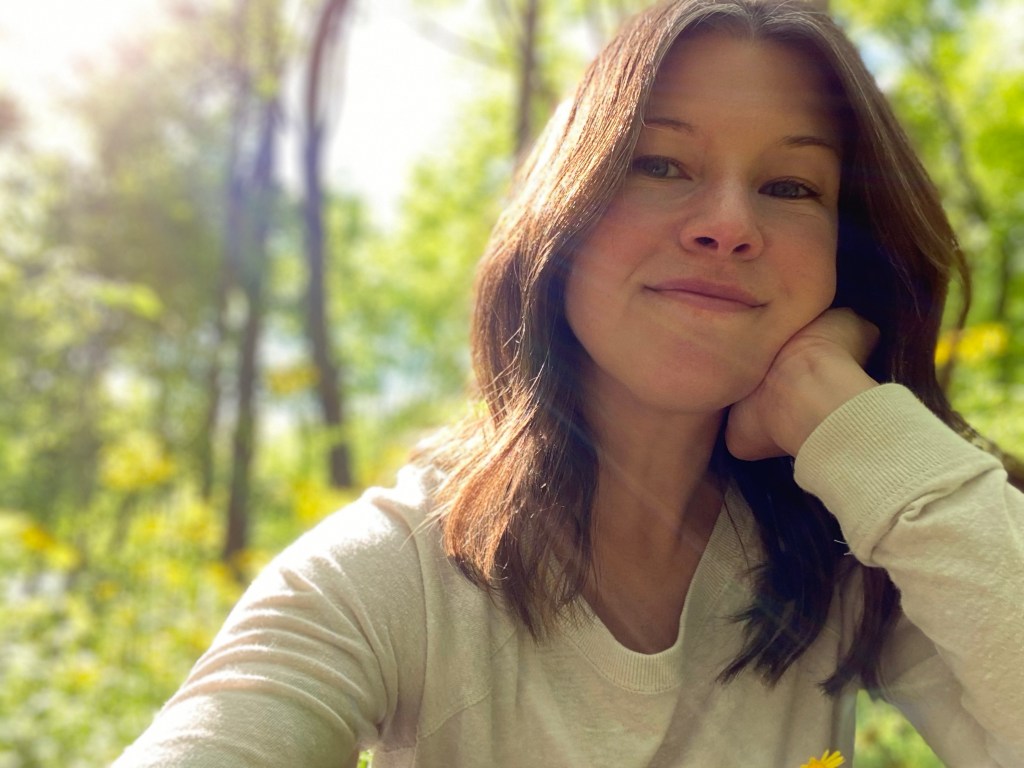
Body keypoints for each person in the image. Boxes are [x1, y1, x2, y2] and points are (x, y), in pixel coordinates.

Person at [115, 0, 1024, 765]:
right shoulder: (394, 577)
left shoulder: (852, 554)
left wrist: (863, 431)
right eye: (659, 164)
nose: (727, 224)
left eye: (791, 186)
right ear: (565, 217)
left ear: (841, 259)